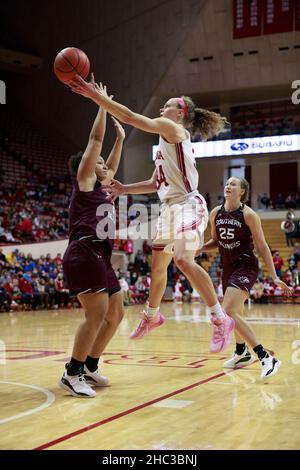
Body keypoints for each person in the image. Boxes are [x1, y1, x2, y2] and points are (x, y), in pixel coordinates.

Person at [70, 76, 234, 353]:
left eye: (167, 105)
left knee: (183, 259)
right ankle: (152, 315)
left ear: (179, 113)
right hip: (169, 208)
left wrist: (97, 98)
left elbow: (132, 117)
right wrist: (124, 188)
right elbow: (156, 183)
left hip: (188, 204)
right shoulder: (165, 143)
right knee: (158, 267)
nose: (161, 109)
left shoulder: (172, 128)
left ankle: (220, 318)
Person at [59, 80, 126, 398]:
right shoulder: (85, 181)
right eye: (99, 163)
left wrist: (122, 138)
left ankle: (91, 364)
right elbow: (96, 140)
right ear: (87, 168)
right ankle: (72, 373)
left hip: (101, 256)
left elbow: (110, 161)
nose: (104, 166)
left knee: (116, 314)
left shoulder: (102, 186)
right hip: (84, 252)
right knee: (96, 314)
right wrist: (102, 102)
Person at [199, 176, 292, 379]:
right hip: (227, 267)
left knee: (228, 311)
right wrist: (199, 248)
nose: (228, 186)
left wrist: (274, 276)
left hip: (246, 266)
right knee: (236, 313)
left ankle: (266, 357)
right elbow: (215, 241)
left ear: (242, 191)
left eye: (233, 184)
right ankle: (241, 352)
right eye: (227, 183)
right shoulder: (215, 213)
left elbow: (262, 246)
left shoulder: (249, 215)